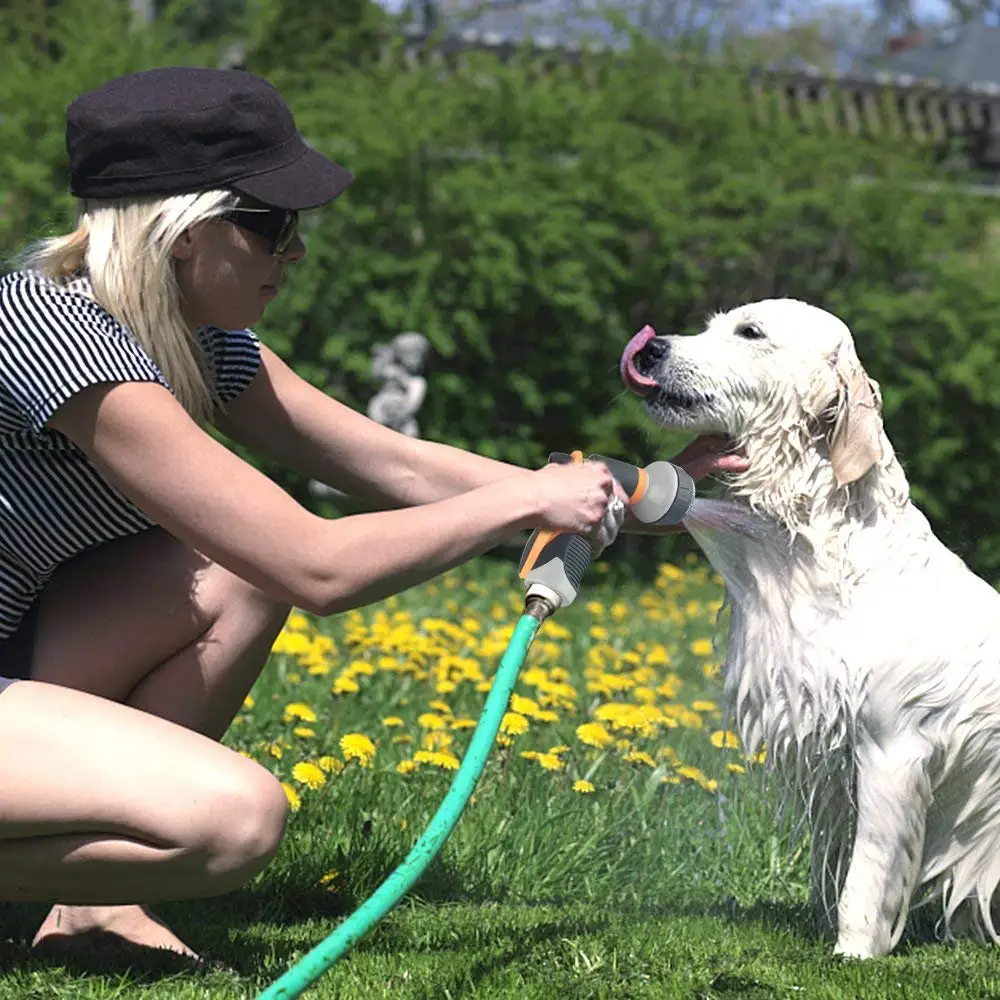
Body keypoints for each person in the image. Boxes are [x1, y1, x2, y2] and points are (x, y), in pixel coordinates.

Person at [0, 65, 748, 963]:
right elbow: (313, 566)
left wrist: (636, 495)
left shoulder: (194, 342)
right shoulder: (54, 333)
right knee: (235, 822)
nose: (296, 255)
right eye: (275, 226)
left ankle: (89, 909)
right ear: (187, 230)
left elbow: (391, 462)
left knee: (230, 577)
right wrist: (527, 499)